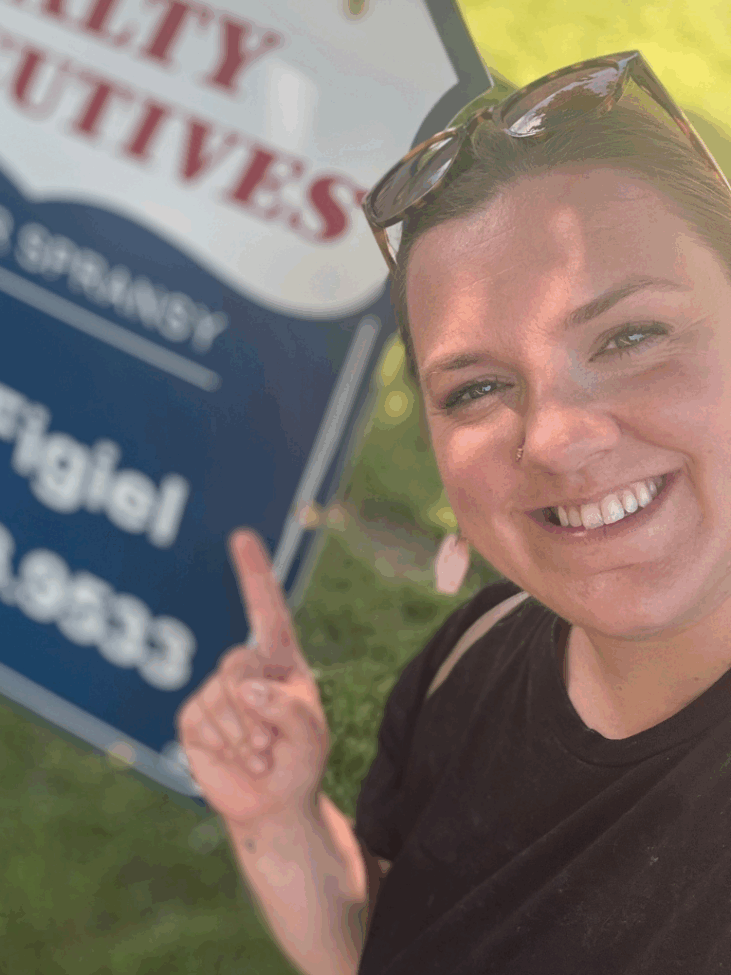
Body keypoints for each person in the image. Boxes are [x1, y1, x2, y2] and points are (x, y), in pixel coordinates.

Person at [176, 50, 731, 974]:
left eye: (632, 334)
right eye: (476, 388)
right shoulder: (472, 652)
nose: (555, 438)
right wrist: (281, 821)